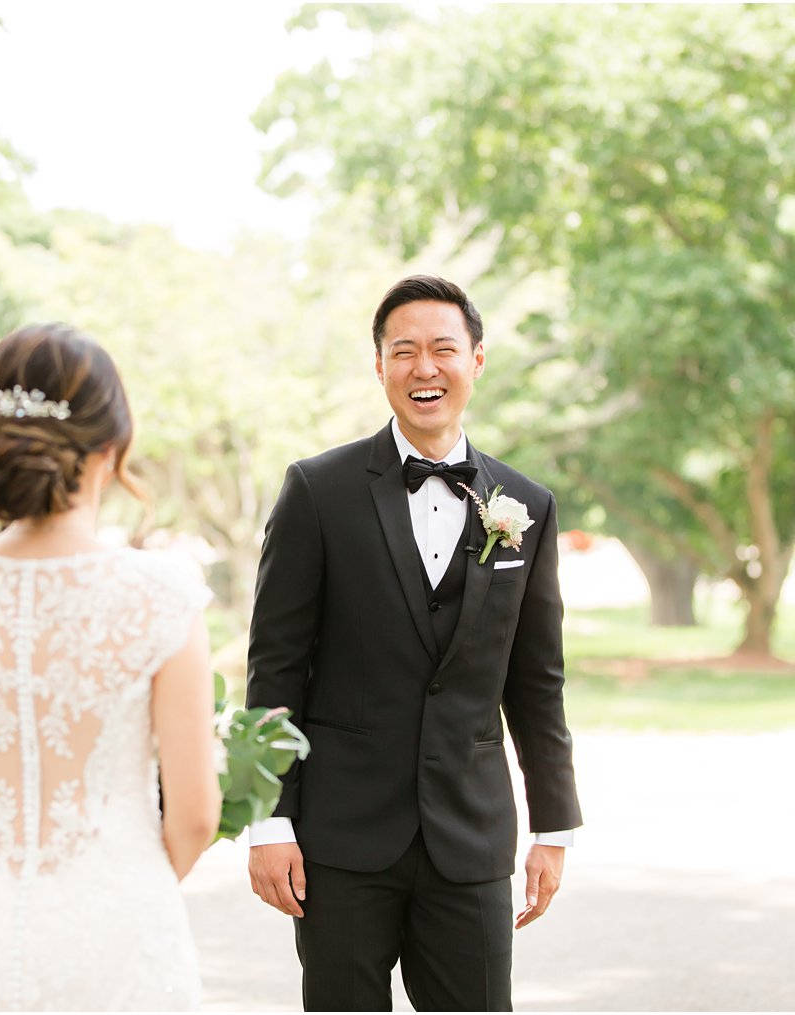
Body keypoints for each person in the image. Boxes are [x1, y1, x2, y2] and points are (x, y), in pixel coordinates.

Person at [245, 275, 583, 1011]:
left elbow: (537, 681)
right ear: (379, 366)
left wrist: (554, 824)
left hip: (470, 838)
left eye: (442, 349)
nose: (423, 368)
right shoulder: (316, 490)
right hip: (339, 841)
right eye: (404, 351)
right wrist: (268, 820)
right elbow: (274, 666)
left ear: (477, 360)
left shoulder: (527, 506)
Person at [0, 323, 222, 1011]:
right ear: (110, 448)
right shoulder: (160, 596)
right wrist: (114, 884)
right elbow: (196, 814)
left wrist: (12, 858)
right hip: (118, 924)